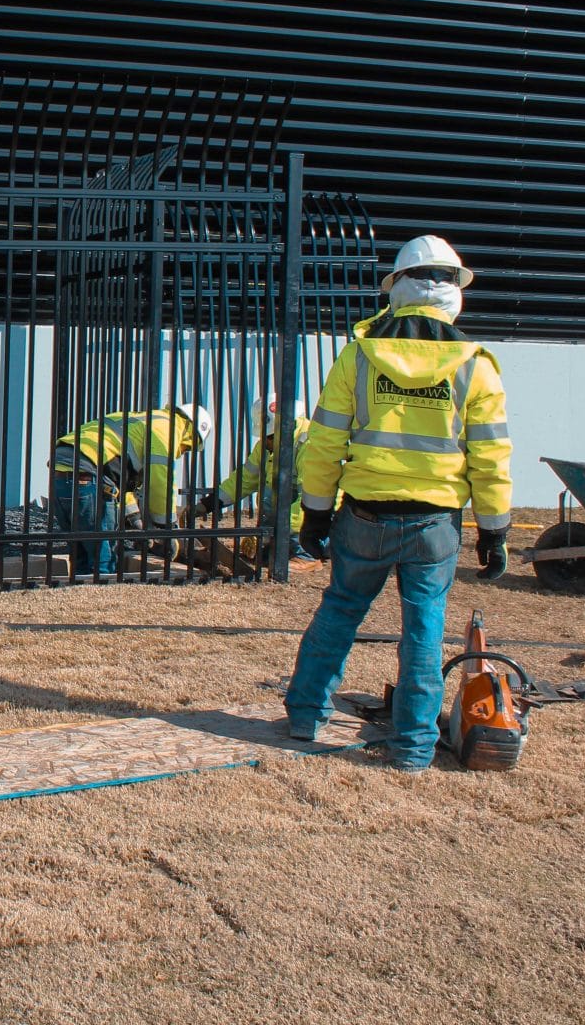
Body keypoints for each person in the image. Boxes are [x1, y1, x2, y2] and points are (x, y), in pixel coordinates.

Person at [286, 235, 513, 772]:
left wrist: (316, 512)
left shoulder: (359, 357)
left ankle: (304, 716)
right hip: (434, 525)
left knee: (340, 611)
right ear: (454, 291)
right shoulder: (475, 366)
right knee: (424, 631)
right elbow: (491, 457)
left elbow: (323, 444)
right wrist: (495, 529)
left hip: (364, 515)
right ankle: (412, 748)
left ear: (397, 289)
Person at [50, 404, 213, 576]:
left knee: (81, 553)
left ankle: (80, 597)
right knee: (103, 559)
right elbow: (160, 481)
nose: (183, 451)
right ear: (190, 432)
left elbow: (118, 480)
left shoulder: (142, 419)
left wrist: (135, 519)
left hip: (61, 473)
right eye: (188, 447)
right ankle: (99, 599)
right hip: (89, 475)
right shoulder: (168, 429)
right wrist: (167, 529)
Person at [191, 395, 320, 565]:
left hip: (318, 517)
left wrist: (277, 528)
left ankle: (307, 555)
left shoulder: (310, 443)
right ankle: (273, 548)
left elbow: (310, 498)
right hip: (292, 519)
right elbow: (245, 478)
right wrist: (210, 503)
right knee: (269, 492)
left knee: (289, 498)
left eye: (270, 435)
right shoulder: (267, 446)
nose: (264, 440)